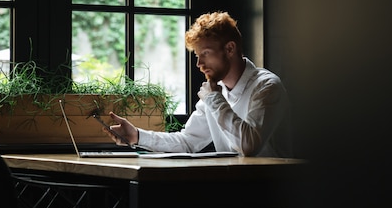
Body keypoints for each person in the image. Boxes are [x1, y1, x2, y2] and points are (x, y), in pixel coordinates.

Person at [105, 11, 292, 157]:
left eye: (206, 54)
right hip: (233, 189)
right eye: (197, 55)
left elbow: (249, 145)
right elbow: (188, 141)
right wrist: (137, 136)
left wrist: (214, 99)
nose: (199, 64)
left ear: (230, 49)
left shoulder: (267, 87)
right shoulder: (214, 93)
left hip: (273, 196)